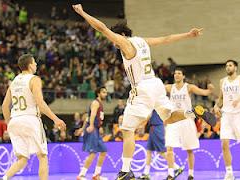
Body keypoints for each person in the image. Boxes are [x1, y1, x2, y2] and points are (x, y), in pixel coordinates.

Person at [72, 4, 202, 179]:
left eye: (115, 38)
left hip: (142, 88)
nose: (114, 43)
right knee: (169, 118)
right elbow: (166, 39)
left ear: (121, 35)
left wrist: (82, 13)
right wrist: (188, 34)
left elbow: (101, 28)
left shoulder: (125, 43)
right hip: (156, 83)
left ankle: (126, 170)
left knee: (127, 129)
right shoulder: (142, 41)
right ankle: (191, 113)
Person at [1, 54, 66, 180]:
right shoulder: (34, 79)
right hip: (30, 119)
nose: (36, 64)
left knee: (22, 159)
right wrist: (56, 119)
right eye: (34, 62)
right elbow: (40, 104)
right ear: (30, 65)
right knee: (42, 156)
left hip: (14, 120)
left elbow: (4, 106)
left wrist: (9, 124)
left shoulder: (14, 81)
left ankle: (4, 178)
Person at [165, 68, 214, 180]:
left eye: (179, 73)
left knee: (189, 149)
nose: (176, 75)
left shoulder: (188, 87)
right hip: (173, 120)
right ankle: (170, 173)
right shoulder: (169, 87)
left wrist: (210, 90)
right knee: (169, 148)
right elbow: (156, 91)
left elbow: (204, 92)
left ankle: (191, 174)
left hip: (187, 120)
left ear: (183, 76)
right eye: (175, 73)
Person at [214, 60, 240, 180]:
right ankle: (229, 172)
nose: (227, 67)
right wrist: (216, 106)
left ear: (235, 68)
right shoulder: (222, 81)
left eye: (230, 65)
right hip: (226, 115)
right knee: (224, 144)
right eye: (226, 66)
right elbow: (220, 98)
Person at [137, 110, 182, 180]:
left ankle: (177, 167)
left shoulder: (156, 102)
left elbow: (148, 116)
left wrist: (140, 123)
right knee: (149, 150)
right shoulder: (153, 103)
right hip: (153, 127)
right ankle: (146, 173)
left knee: (161, 151)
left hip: (157, 128)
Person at [77, 87, 108, 180]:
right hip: (93, 129)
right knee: (93, 153)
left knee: (103, 151)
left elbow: (88, 117)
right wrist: (90, 126)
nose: (105, 94)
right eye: (103, 92)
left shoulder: (100, 104)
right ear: (98, 93)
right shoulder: (95, 103)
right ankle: (81, 175)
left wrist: (82, 128)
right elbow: (92, 115)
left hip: (96, 129)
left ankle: (96, 174)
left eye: (106, 92)